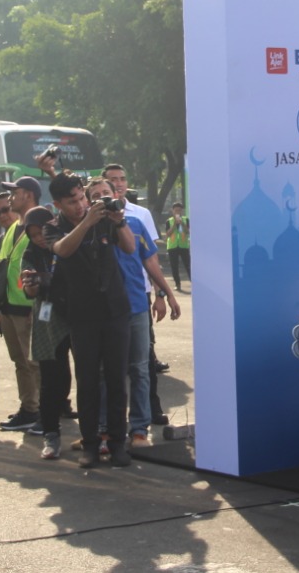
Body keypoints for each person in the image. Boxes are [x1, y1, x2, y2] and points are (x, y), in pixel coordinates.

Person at [42, 173, 135, 468]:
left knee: (117, 379)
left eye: (82, 198)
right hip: (82, 315)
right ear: (57, 204)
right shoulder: (53, 227)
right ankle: (91, 444)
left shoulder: (105, 217)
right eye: (72, 202)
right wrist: (86, 223)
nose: (81, 205)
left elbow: (130, 248)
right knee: (88, 382)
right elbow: (63, 250)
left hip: (115, 310)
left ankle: (119, 442)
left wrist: (118, 219)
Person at [107, 172, 179, 449]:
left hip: (137, 302)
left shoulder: (138, 219)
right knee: (108, 371)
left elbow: (150, 262)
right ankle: (107, 429)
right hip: (104, 309)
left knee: (141, 366)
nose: (117, 186)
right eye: (109, 185)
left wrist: (164, 294)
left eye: (120, 180)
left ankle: (141, 426)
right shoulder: (88, 226)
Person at [0, 177, 43, 434]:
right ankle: (29, 408)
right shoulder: (13, 228)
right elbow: (0, 264)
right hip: (10, 305)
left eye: (15, 193)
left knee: (35, 363)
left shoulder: (39, 223)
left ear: (29, 195)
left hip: (29, 306)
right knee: (20, 361)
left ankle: (45, 411)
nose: (10, 198)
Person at [20, 206, 72, 460]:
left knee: (88, 373)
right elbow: (27, 291)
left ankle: (96, 433)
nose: (39, 237)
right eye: (33, 234)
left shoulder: (65, 242)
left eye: (41, 231)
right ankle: (51, 434)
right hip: (48, 319)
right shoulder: (29, 254)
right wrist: (32, 285)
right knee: (52, 378)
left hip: (76, 313)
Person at [165, 202, 192, 293]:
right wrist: (174, 225)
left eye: (179, 210)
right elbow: (168, 234)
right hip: (172, 246)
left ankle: (193, 283)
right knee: (174, 266)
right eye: (176, 210)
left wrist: (182, 223)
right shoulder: (169, 221)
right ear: (172, 211)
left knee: (188, 265)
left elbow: (188, 232)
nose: (177, 212)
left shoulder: (186, 220)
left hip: (183, 245)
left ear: (182, 211)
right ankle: (177, 284)